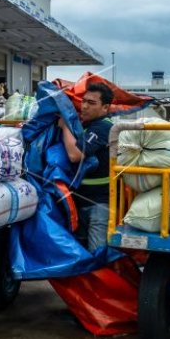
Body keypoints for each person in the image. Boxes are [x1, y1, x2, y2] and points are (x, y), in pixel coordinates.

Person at [58, 82, 114, 252]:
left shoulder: (103, 127)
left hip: (99, 206)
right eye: (84, 101)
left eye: (91, 103)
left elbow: (75, 155)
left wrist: (65, 126)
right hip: (81, 203)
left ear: (105, 108)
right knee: (82, 254)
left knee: (97, 256)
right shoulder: (86, 126)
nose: (84, 106)